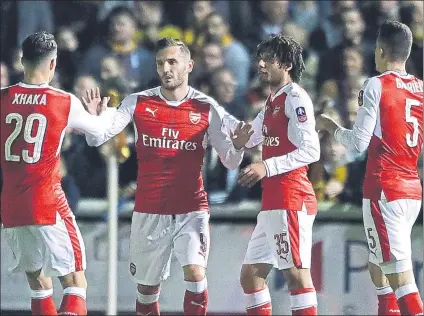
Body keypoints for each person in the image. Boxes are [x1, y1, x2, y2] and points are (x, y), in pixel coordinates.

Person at [84, 37, 252, 316]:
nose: (166, 69)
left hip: (191, 207)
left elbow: (230, 161)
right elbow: (97, 138)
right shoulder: (137, 102)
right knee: (147, 291)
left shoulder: (206, 107)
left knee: (196, 276)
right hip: (150, 208)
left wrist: (238, 144)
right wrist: (94, 119)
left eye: (172, 62)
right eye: (160, 63)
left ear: (189, 65)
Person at [0, 31, 111, 316]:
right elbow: (98, 135)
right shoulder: (63, 101)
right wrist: (101, 114)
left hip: (12, 206)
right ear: (53, 64)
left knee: (39, 284)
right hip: (48, 203)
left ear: (22, 61)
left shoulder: (2, 98)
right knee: (75, 282)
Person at [317, 21, 423, 316]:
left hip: (384, 188)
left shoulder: (376, 84)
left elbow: (358, 144)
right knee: (380, 266)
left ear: (380, 51)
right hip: (412, 188)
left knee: (401, 278)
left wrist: (331, 126)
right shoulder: (420, 87)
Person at [237, 34, 320, 316]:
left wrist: (265, 166)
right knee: (251, 276)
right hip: (273, 201)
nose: (260, 64)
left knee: (297, 276)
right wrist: (238, 139)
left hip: (291, 197)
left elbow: (311, 150)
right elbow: (251, 137)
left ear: (285, 64)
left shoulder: (295, 97)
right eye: (259, 59)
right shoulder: (273, 100)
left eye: (268, 59)